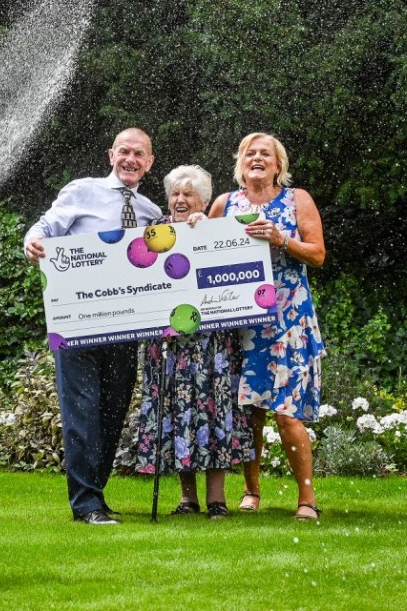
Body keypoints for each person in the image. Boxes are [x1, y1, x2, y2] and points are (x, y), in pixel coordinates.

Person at [24, 128, 162, 525]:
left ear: (149, 163)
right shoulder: (82, 191)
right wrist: (32, 242)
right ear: (111, 155)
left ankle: (95, 495)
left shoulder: (151, 213)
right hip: (78, 322)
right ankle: (85, 504)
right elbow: (43, 228)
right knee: (82, 408)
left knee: (113, 411)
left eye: (139, 154)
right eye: (124, 151)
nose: (130, 159)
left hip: (125, 326)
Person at [208, 132, 326, 521]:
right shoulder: (225, 204)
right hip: (240, 323)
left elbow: (318, 254)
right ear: (241, 163)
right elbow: (201, 254)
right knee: (249, 412)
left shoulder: (297, 200)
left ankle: (306, 500)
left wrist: (281, 239)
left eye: (266, 154)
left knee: (286, 413)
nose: (257, 159)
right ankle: (251, 491)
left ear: (278, 166)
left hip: (288, 319)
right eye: (250, 154)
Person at [134, 165, 254, 519]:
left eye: (189, 194)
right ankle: (188, 499)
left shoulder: (216, 230)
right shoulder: (153, 232)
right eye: (175, 194)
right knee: (176, 413)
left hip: (211, 343)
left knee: (213, 413)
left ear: (202, 200)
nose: (181, 200)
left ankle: (217, 499)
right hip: (168, 343)